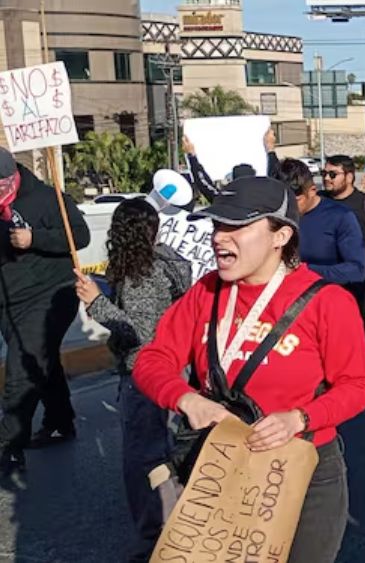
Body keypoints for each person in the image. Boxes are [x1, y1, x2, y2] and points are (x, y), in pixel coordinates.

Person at [132, 176, 365, 563]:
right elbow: (152, 359)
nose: (219, 237)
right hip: (218, 461)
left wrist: (300, 417)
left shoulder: (326, 301)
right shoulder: (206, 291)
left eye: (237, 226)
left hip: (299, 466)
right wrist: (185, 398)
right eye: (217, 225)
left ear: (280, 236)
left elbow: (359, 385)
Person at [74, 199, 191, 562]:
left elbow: (139, 330)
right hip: (175, 370)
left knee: (145, 463)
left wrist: (96, 303)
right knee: (168, 455)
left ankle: (153, 542)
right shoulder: (168, 260)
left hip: (147, 374)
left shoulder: (142, 273)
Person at [0, 149, 92, 470]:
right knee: (40, 359)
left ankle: (9, 446)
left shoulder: (48, 198)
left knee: (20, 371)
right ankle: (59, 421)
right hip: (10, 299)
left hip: (51, 295)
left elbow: (79, 235)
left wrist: (34, 238)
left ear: (12, 178)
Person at [278, 158, 365, 286]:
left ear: (312, 191)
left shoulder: (341, 217)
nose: (289, 208)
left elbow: (357, 271)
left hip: (323, 297)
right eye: (284, 202)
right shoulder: (276, 216)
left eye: (296, 201)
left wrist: (303, 271)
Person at [183, 129, 281, 202]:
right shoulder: (267, 200)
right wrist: (270, 149)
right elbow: (277, 179)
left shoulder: (225, 200)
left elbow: (203, 183)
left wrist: (192, 155)